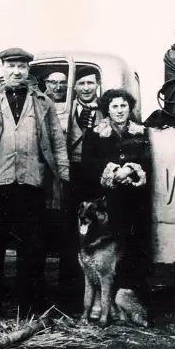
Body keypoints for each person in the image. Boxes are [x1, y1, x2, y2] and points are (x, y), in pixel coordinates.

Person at [0, 48, 69, 321]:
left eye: (21, 66)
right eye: (11, 66)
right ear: (2, 67)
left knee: (32, 248)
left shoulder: (43, 102)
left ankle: (28, 307)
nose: (16, 71)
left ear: (28, 69)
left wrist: (64, 179)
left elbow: (57, 143)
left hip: (32, 185)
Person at [82, 88, 153, 316]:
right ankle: (100, 303)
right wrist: (113, 170)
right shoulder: (94, 134)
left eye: (124, 106)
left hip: (134, 202)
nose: (120, 110)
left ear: (129, 108)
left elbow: (148, 161)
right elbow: (88, 164)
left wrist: (131, 169)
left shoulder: (141, 133)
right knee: (105, 250)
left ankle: (124, 298)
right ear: (107, 109)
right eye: (115, 106)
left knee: (132, 248)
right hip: (107, 202)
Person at [58, 67, 104, 310]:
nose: (86, 88)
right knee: (69, 233)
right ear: (74, 87)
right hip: (71, 176)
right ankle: (68, 299)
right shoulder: (63, 112)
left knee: (96, 235)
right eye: (81, 84)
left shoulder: (106, 109)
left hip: (96, 179)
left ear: (97, 84)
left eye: (90, 83)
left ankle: (96, 300)